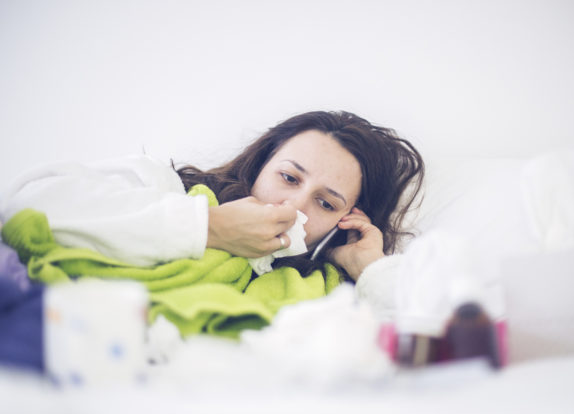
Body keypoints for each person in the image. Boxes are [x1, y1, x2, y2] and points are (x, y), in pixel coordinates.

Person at [0, 110, 424, 283]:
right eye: (289, 178)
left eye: (326, 204)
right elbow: (22, 207)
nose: (294, 207)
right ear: (259, 165)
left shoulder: (318, 290)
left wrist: (371, 271)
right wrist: (208, 228)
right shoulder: (161, 187)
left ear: (344, 222)